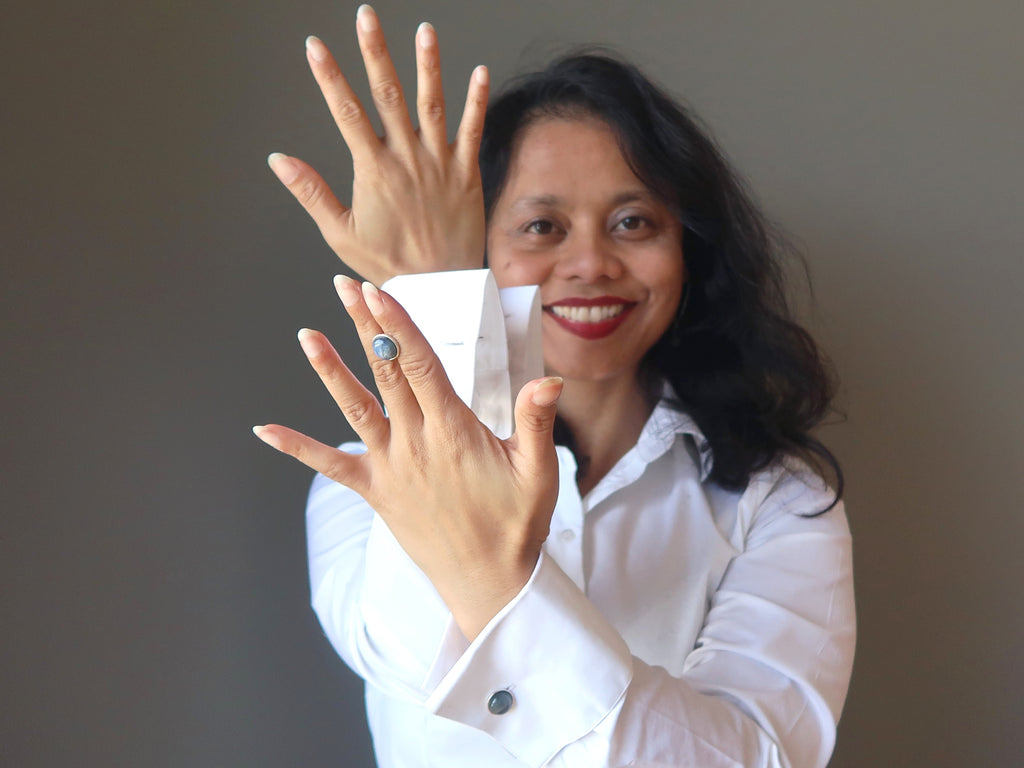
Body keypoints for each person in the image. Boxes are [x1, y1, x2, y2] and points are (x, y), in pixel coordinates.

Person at [254, 6, 855, 767]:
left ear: (689, 250)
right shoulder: (361, 485)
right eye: (541, 227)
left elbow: (754, 758)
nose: (590, 263)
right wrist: (435, 290)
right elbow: (413, 659)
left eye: (634, 222)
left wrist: (492, 578)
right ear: (482, 252)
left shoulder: (781, 498)